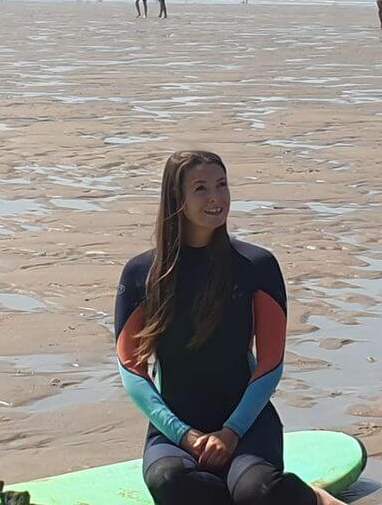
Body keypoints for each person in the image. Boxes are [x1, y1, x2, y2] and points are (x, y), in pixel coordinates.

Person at [116, 151, 345, 505]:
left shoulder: (256, 266)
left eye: (222, 185)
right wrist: (184, 435)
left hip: (248, 422)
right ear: (177, 199)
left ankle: (311, 499)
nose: (216, 197)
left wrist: (232, 432)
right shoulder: (142, 275)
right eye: (202, 188)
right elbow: (131, 370)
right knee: (170, 480)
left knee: (257, 491)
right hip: (175, 428)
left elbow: (271, 363)